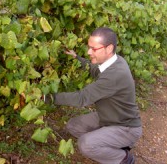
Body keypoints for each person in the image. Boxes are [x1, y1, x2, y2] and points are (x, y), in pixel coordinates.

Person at [53, 27, 142, 164]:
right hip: (108, 117)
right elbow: (95, 70)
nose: (89, 52)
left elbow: (81, 98)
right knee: (73, 126)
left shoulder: (115, 74)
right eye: (89, 48)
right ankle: (107, 141)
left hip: (126, 127)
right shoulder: (115, 61)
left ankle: (123, 158)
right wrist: (77, 58)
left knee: (85, 144)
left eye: (94, 49)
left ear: (109, 48)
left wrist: (49, 98)